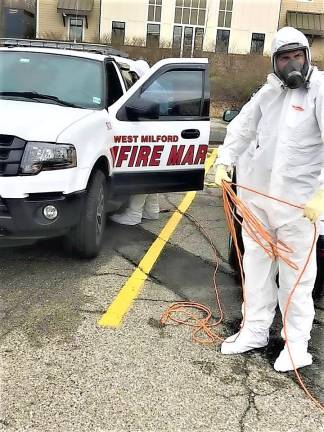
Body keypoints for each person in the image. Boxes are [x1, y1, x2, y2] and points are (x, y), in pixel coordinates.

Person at [214, 27, 324, 372]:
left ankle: (297, 346)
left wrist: (322, 194)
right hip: (258, 204)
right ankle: (255, 331)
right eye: (284, 58)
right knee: (257, 272)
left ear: (307, 56)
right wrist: (224, 161)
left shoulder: (320, 92)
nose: (292, 64)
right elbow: (242, 128)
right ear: (274, 63)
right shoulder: (267, 94)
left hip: (299, 210)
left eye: (297, 56)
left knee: (296, 282)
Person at [110, 59, 160, 226]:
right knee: (153, 176)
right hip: (161, 136)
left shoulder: (146, 91)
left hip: (149, 137)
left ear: (137, 74)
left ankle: (134, 214)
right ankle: (152, 210)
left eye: (132, 74)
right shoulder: (156, 87)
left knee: (143, 176)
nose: (131, 77)